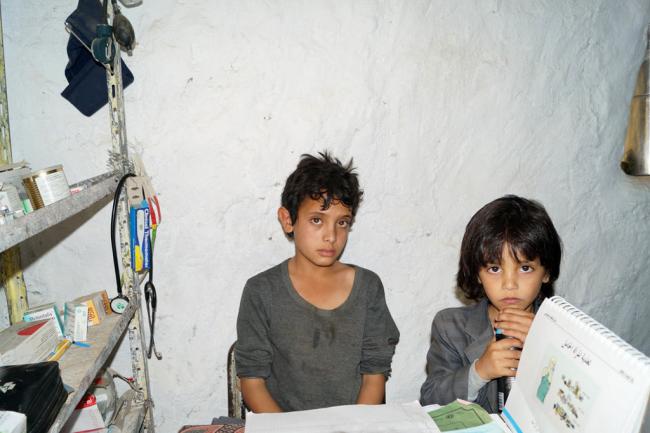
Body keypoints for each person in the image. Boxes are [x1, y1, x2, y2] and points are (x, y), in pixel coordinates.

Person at [235, 151, 400, 413]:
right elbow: (252, 382)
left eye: (342, 223)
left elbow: (374, 374)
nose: (331, 236)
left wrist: (354, 428)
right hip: (283, 426)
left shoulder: (368, 287)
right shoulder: (261, 291)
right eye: (316, 220)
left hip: (354, 425)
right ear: (287, 220)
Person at [420, 195, 562, 412]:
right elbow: (430, 400)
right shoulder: (450, 326)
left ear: (546, 273)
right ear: (477, 274)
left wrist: (545, 343)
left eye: (525, 268)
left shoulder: (562, 330)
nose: (509, 284)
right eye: (494, 269)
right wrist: (480, 371)